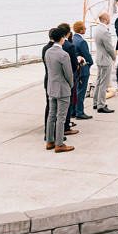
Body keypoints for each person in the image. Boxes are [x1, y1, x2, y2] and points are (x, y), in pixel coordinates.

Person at [43, 25, 75, 153]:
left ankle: (49, 141)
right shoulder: (64, 54)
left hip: (52, 86)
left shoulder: (47, 52)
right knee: (61, 117)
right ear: (62, 38)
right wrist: (70, 85)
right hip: (62, 88)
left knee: (51, 115)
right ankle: (59, 143)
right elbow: (69, 74)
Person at [60, 25, 83, 135]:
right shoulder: (69, 46)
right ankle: (66, 125)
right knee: (68, 101)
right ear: (68, 33)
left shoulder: (49, 48)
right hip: (69, 77)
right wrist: (78, 63)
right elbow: (74, 64)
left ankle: (63, 124)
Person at [91, 13, 116, 114]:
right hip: (105, 59)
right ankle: (101, 105)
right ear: (105, 19)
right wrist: (114, 57)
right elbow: (109, 47)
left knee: (98, 80)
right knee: (104, 83)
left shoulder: (97, 28)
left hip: (99, 58)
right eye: (109, 17)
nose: (110, 19)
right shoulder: (105, 31)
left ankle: (95, 102)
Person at [71, 22, 93, 120]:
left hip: (75, 69)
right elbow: (87, 55)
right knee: (81, 91)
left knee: (75, 91)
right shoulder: (81, 42)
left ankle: (73, 111)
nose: (86, 29)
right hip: (83, 68)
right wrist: (90, 63)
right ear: (81, 30)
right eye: (84, 28)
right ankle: (80, 112)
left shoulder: (72, 39)